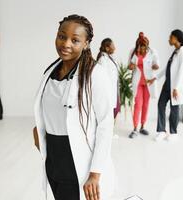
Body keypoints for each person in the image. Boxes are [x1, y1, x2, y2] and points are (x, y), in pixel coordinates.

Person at [33, 14, 115, 200]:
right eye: (62, 36)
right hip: (53, 155)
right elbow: (47, 109)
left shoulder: (95, 74)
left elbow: (105, 124)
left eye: (75, 40)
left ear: (86, 43)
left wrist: (95, 174)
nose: (66, 44)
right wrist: (38, 130)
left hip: (78, 158)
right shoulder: (50, 71)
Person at [149, 29, 183, 142]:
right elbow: (168, 68)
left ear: (177, 38)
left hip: (175, 86)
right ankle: (161, 131)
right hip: (168, 85)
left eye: (170, 37)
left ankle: (173, 132)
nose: (169, 39)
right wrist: (156, 78)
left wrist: (176, 87)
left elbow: (182, 71)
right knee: (161, 104)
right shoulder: (175, 51)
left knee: (174, 108)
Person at [128, 32, 160, 139]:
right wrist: (131, 66)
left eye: (143, 47)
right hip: (138, 83)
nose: (141, 49)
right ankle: (135, 128)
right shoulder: (133, 52)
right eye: (139, 47)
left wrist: (155, 66)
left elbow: (156, 65)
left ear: (147, 46)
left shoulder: (153, 52)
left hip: (148, 83)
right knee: (138, 104)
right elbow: (130, 66)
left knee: (146, 105)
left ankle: (142, 126)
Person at [96, 38, 120, 119]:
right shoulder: (102, 59)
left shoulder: (109, 58)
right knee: (108, 114)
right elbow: (101, 78)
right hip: (107, 92)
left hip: (113, 90)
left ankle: (110, 130)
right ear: (107, 48)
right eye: (113, 46)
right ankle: (108, 131)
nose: (115, 48)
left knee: (115, 111)